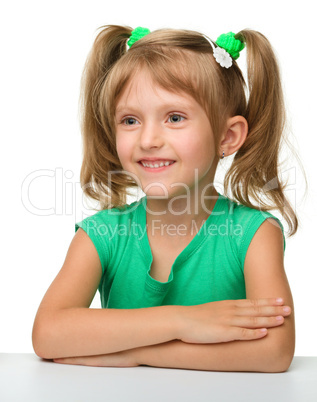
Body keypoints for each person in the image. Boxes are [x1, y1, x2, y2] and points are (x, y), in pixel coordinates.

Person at [32, 25, 297, 372]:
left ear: (228, 136)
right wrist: (183, 321)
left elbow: (274, 353)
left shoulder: (254, 234)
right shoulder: (101, 235)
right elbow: (48, 334)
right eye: (130, 120)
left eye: (174, 117)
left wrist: (135, 353)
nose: (148, 139)